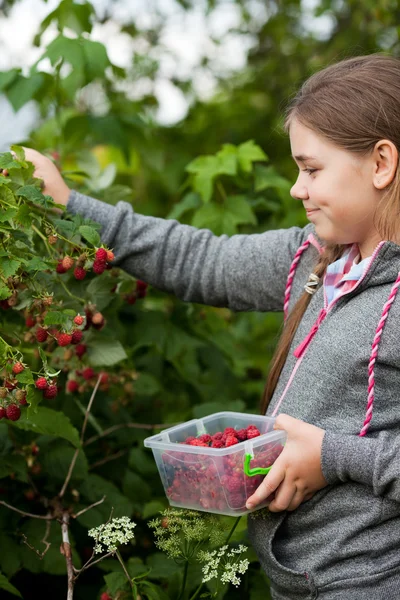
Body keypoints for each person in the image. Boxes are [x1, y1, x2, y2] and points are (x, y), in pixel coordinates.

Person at [24, 53, 400, 599]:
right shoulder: (316, 259)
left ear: (382, 163)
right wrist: (68, 205)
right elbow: (198, 260)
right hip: (300, 582)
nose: (297, 188)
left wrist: (331, 455)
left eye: (312, 169)